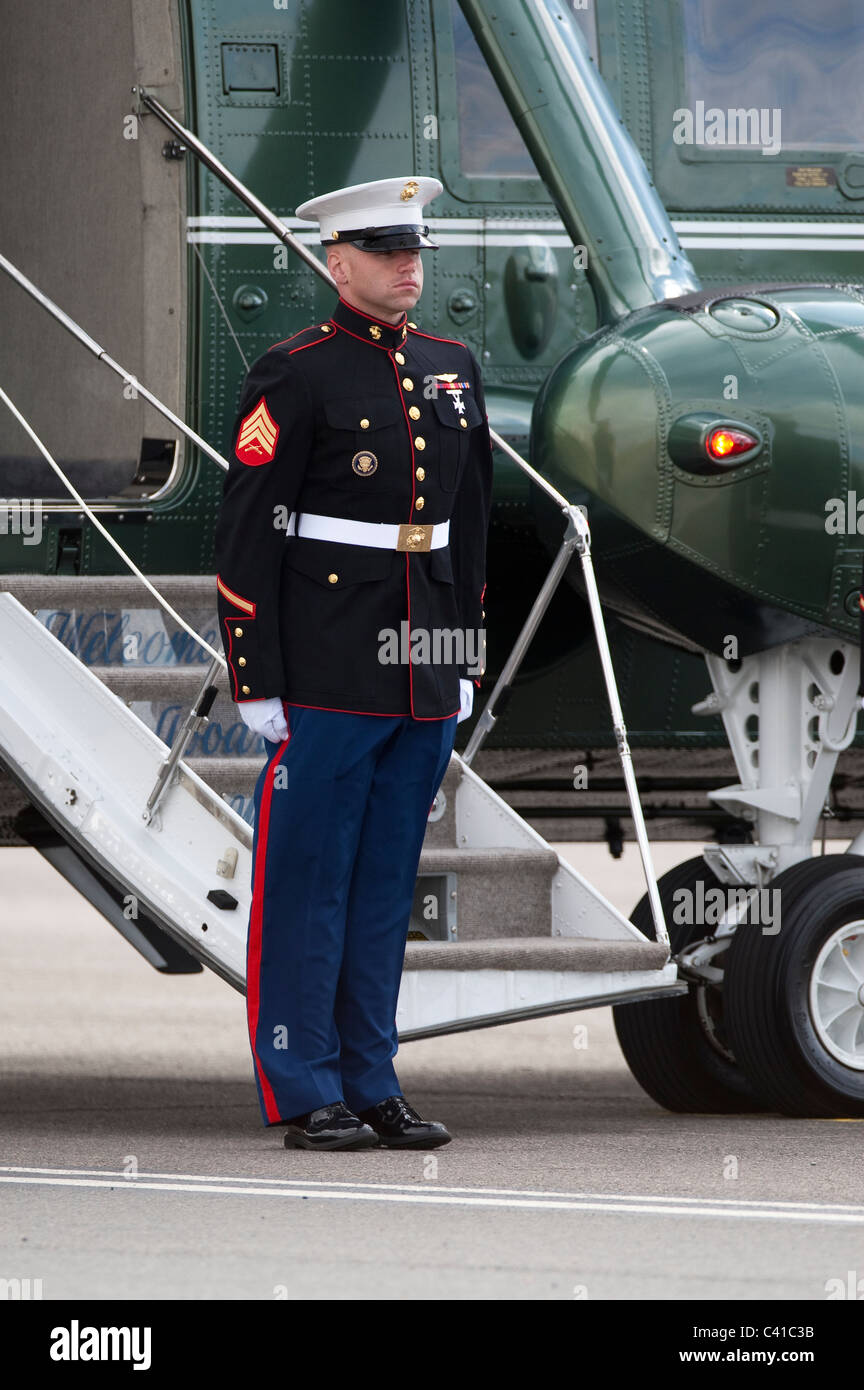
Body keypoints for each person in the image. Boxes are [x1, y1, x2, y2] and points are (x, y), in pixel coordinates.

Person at [213, 176, 493, 1150]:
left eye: (415, 249)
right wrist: (257, 679)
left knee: (386, 885)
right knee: (308, 881)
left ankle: (373, 1079)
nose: (409, 265)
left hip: (421, 662)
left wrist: (462, 652)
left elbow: (469, 528)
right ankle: (304, 1084)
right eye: (386, 251)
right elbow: (249, 534)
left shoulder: (453, 366)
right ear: (338, 264)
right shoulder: (297, 372)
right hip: (329, 661)